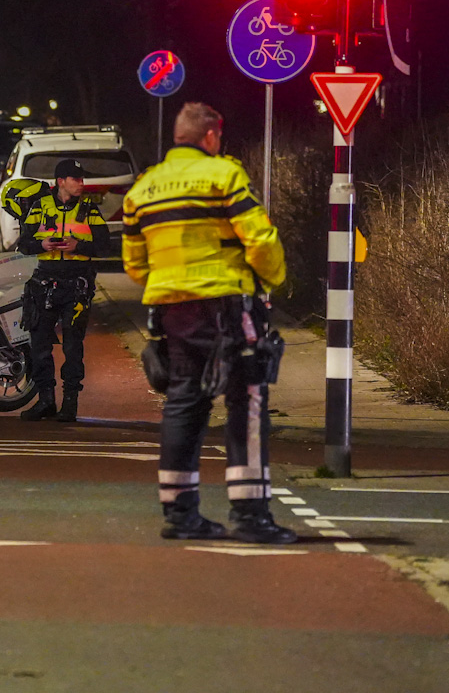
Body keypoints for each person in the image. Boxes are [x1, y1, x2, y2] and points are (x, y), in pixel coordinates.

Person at [123, 101, 295, 545]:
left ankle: (180, 514)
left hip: (171, 310)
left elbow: (134, 261)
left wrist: (169, 283)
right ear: (212, 137)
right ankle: (251, 515)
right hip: (226, 304)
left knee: (184, 400)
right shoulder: (224, 175)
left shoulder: (142, 189)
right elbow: (259, 238)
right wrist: (269, 279)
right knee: (248, 399)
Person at [16, 158, 108, 423]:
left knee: (72, 346)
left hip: (76, 284)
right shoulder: (39, 207)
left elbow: (104, 246)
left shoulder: (89, 209)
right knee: (39, 345)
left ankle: (70, 403)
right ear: (61, 182)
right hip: (44, 282)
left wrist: (77, 246)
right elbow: (23, 243)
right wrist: (41, 244)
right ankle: (45, 400)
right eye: (76, 179)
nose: (81, 184)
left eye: (81, 179)